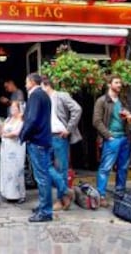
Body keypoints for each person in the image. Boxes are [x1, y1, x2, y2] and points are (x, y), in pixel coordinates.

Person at [41, 76, 82, 211]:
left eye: (40, 87)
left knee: (61, 168)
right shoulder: (43, 100)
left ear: (46, 85)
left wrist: (69, 129)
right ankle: (65, 194)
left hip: (59, 136)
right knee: (46, 166)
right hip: (47, 137)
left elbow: (77, 109)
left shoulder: (61, 96)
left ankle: (60, 199)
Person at [92, 74, 131, 208]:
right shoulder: (102, 101)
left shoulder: (122, 100)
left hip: (125, 138)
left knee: (123, 167)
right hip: (112, 138)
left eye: (120, 83)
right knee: (105, 168)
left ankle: (120, 193)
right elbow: (96, 121)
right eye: (116, 83)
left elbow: (128, 117)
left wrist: (128, 116)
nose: (119, 85)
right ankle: (101, 195)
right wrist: (108, 135)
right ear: (109, 84)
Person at [19, 73, 53, 222]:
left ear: (32, 82)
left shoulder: (35, 95)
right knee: (43, 176)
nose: (25, 84)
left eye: (26, 82)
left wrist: (23, 135)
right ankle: (44, 206)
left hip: (37, 141)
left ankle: (45, 211)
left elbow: (32, 119)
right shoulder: (44, 95)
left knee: (42, 177)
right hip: (44, 140)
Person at [0, 101, 26, 203]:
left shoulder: (22, 121)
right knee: (6, 170)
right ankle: (7, 193)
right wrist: (1, 129)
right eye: (11, 107)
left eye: (14, 108)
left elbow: (16, 133)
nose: (12, 109)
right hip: (6, 148)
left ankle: (19, 194)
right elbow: (1, 131)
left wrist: (5, 135)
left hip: (16, 148)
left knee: (16, 170)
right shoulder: (8, 119)